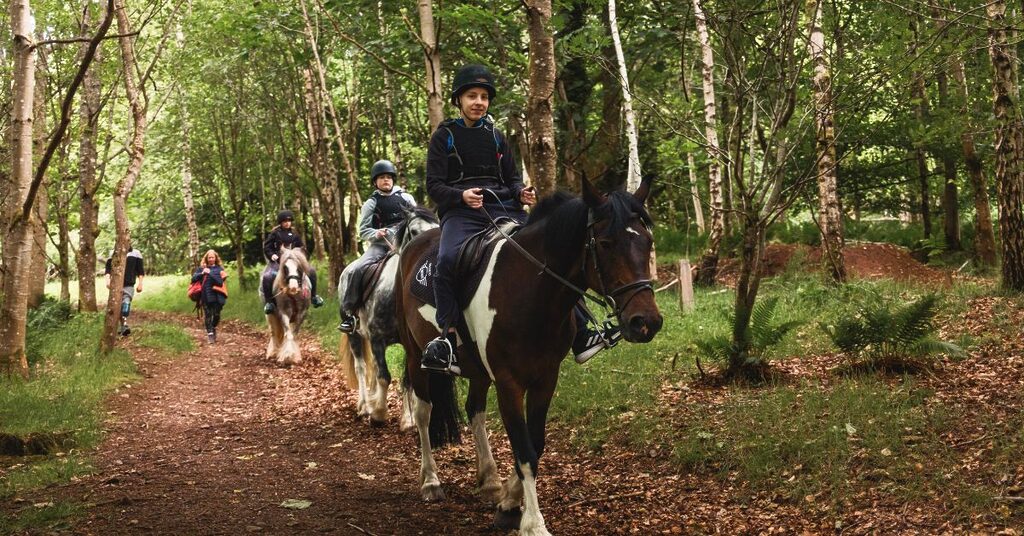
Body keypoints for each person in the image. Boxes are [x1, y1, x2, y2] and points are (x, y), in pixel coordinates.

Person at [420, 64, 620, 375]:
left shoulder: (497, 138)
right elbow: (433, 185)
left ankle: (582, 329)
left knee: (552, 254)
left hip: (504, 210)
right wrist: (460, 196)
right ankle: (446, 338)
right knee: (446, 260)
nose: (479, 102)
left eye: (484, 96)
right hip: (462, 214)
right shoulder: (444, 136)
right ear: (458, 100)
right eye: (472, 95)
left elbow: (511, 179)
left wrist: (521, 192)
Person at [338, 159, 417, 333]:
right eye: (381, 178)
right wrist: (376, 233)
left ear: (393, 179)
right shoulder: (371, 203)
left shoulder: (406, 198)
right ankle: (351, 314)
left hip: (407, 243)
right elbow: (363, 231)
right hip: (381, 246)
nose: (386, 180)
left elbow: (417, 219)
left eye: (388, 177)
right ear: (375, 182)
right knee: (356, 269)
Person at [261, 210, 324, 314]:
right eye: (285, 221)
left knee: (311, 271)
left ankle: (314, 297)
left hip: (294, 261)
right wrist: (272, 255)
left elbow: (301, 247)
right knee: (267, 276)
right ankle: (269, 303)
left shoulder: (295, 234)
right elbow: (267, 247)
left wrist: (301, 256)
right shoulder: (275, 233)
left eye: (289, 221)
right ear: (280, 222)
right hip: (278, 261)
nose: (287, 223)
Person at [104, 243, 144, 337]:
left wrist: (140, 283)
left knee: (125, 304)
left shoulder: (136, 253)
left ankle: (124, 325)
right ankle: (123, 326)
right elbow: (108, 269)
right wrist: (107, 281)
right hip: (115, 285)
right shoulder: (113, 253)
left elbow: (140, 270)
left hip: (129, 284)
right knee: (117, 306)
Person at [192, 249, 228, 343]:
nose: (211, 259)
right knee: (208, 315)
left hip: (218, 296)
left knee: (216, 315)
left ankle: (213, 327)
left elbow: (220, 283)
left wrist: (210, 273)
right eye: (209, 257)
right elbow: (193, 279)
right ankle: (210, 334)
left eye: (212, 257)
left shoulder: (219, 269)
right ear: (206, 258)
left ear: (215, 258)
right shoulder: (201, 268)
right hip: (205, 296)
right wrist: (202, 273)